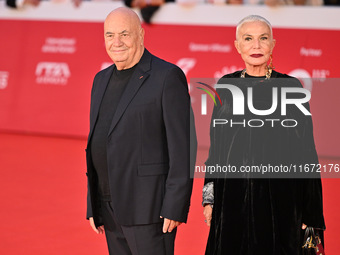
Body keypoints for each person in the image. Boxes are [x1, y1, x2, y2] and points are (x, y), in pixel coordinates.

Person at [202, 15, 325, 255]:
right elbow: (216, 149)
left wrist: (310, 215)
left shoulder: (290, 87)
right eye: (248, 39)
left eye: (263, 38)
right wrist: (209, 198)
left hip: (279, 201)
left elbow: (307, 153)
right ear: (238, 45)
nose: (256, 46)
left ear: (273, 44)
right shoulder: (225, 86)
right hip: (231, 201)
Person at [85, 7, 195, 255]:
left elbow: (183, 147)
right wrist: (93, 203)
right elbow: (98, 141)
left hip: (150, 209)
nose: (117, 42)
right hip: (108, 206)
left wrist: (175, 205)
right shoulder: (100, 80)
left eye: (124, 33)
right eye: (110, 35)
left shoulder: (167, 76)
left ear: (141, 35)